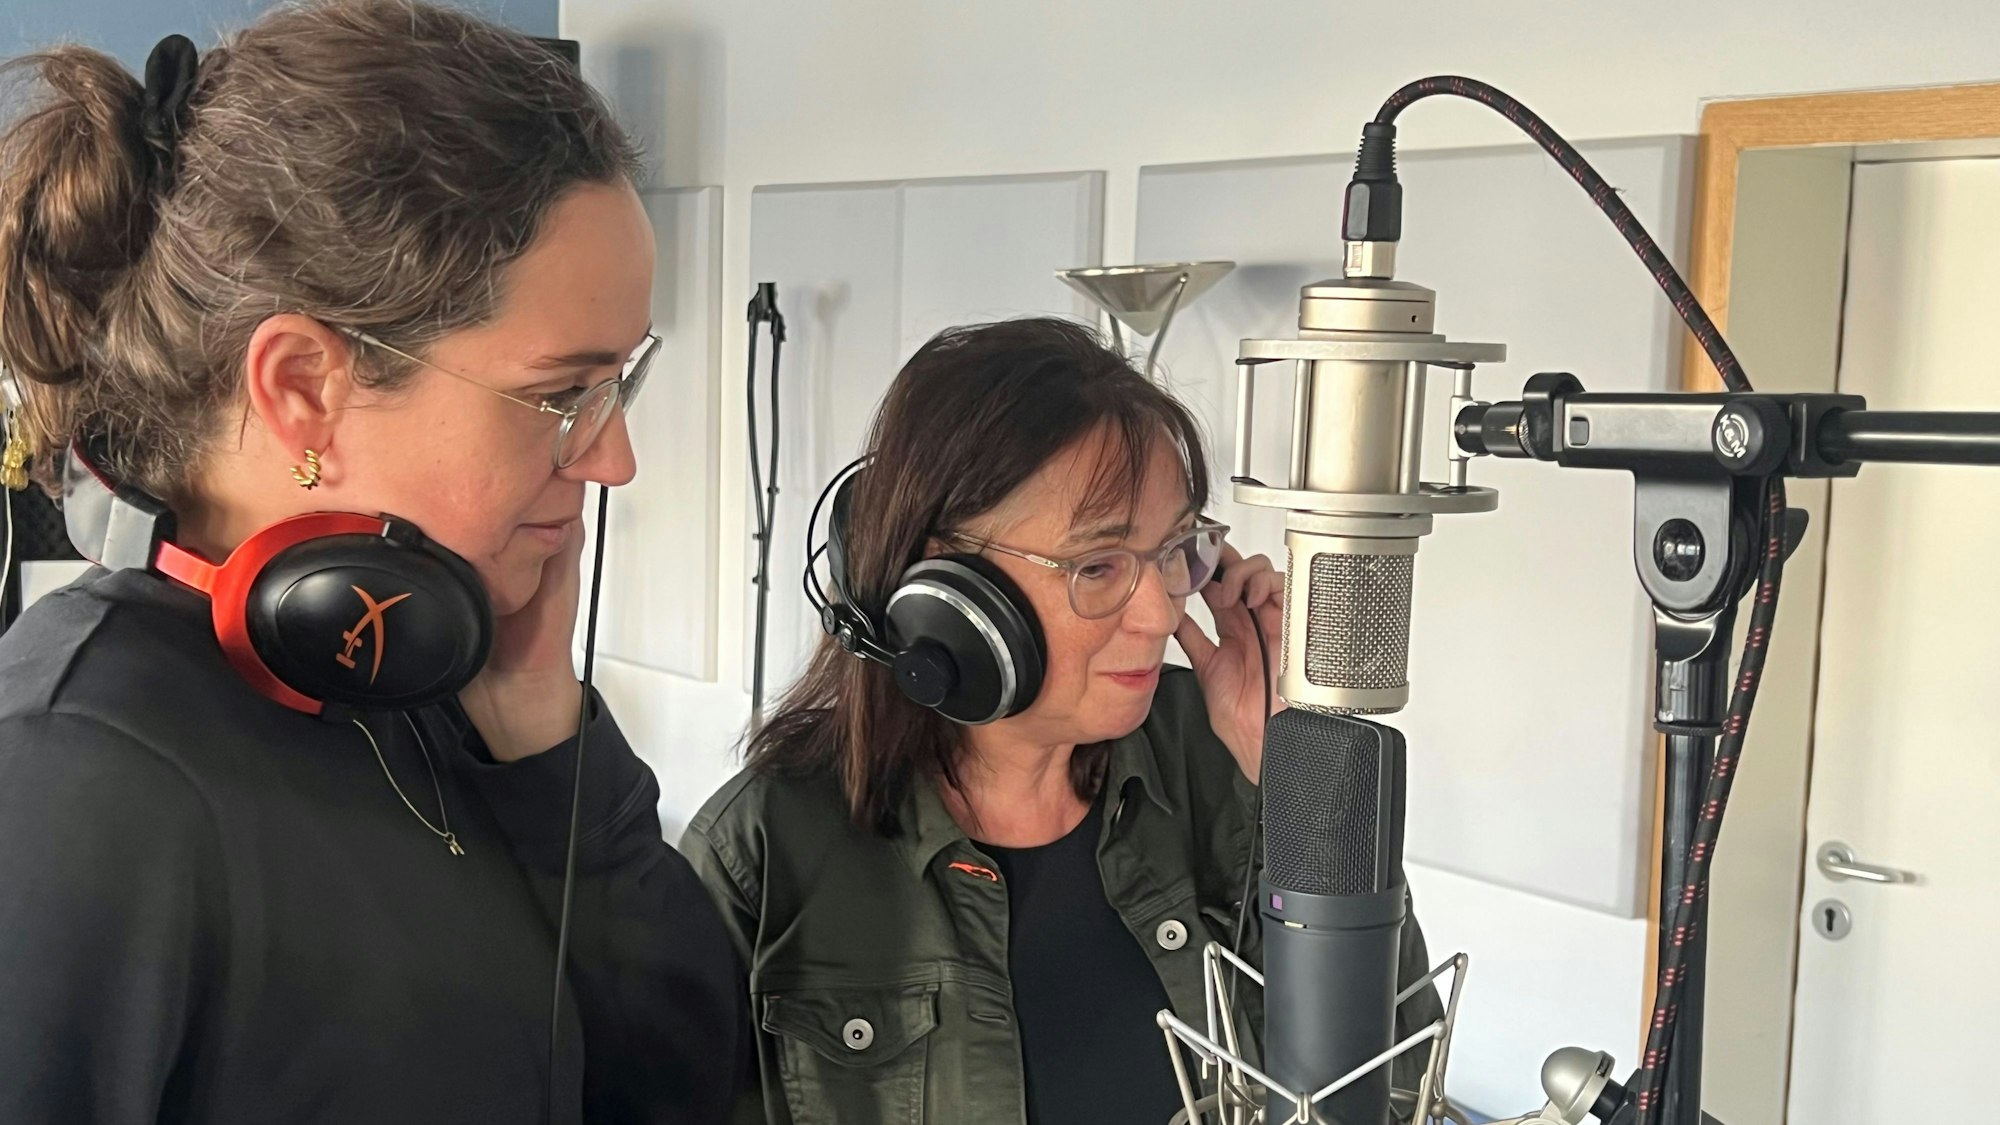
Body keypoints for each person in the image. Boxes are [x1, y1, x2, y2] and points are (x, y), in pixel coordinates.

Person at [0, 3, 746, 1121]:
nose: (615, 459)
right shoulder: (74, 784)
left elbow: (688, 1086)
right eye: (561, 395)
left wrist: (543, 742)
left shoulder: (423, 671)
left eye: (619, 384)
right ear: (303, 387)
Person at [684, 317, 1443, 1125]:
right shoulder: (761, 857)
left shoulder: (1224, 756)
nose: (1158, 611)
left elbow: (1399, 1080)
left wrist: (1297, 774)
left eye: (1175, 548)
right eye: (1098, 565)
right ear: (949, 595)